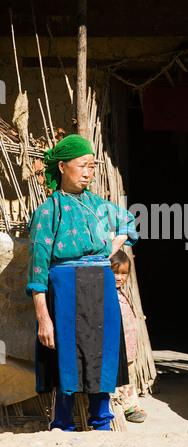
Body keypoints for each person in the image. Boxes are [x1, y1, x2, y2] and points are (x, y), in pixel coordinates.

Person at [25, 134, 138, 431]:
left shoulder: (99, 206)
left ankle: (101, 421)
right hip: (65, 290)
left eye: (92, 166)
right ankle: (62, 422)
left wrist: (108, 250)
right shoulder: (48, 212)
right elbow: (37, 272)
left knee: (104, 350)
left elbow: (128, 221)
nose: (88, 173)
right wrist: (43, 318)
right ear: (62, 167)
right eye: (82, 166)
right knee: (67, 354)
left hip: (101, 286)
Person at [110, 250, 145, 423]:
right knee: (119, 380)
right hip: (117, 349)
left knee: (129, 378)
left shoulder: (123, 292)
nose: (119, 277)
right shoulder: (107, 295)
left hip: (129, 349)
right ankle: (125, 408)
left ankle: (132, 405)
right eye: (115, 272)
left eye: (124, 273)